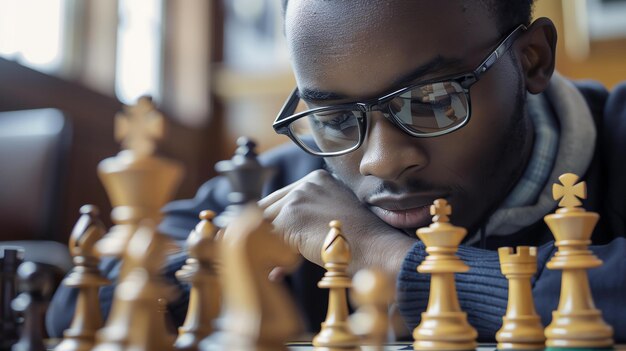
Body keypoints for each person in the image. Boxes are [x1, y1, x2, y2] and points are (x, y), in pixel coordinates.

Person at [48, 0, 626, 341]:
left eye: (433, 99)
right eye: (332, 115)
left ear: (531, 60)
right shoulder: (286, 183)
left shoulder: (618, 135)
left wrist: (397, 262)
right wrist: (210, 271)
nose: (378, 160)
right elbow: (76, 304)